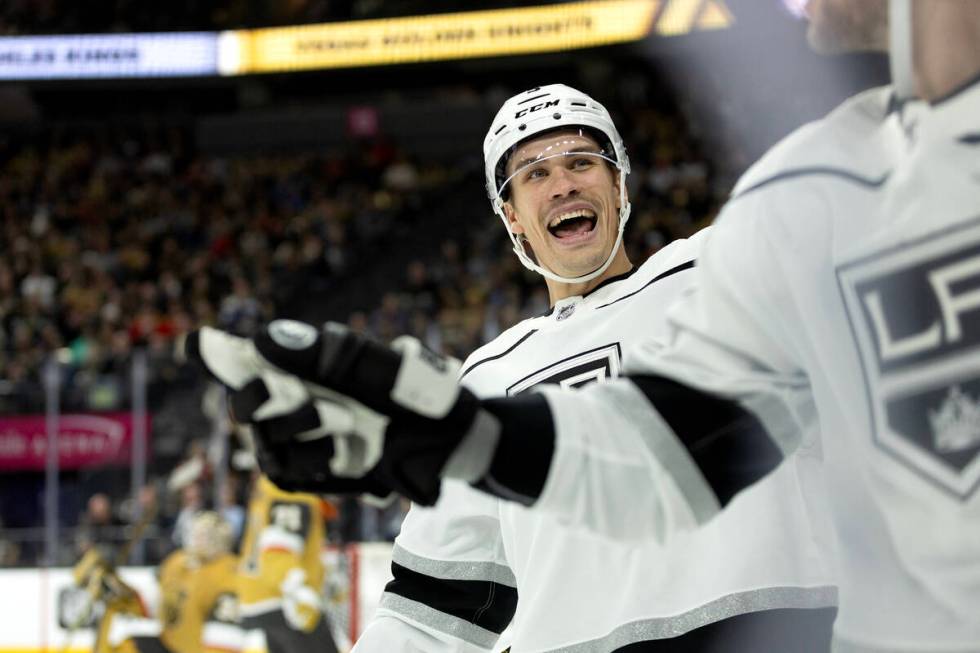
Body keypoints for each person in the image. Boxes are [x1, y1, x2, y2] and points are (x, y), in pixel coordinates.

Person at [183, 0, 980, 649]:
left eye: (580, 161)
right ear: (513, 221)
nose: (561, 180)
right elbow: (433, 611)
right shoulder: (486, 375)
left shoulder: (733, 261)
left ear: (620, 186)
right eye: (534, 173)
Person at [95, 511, 244, 653]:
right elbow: (155, 602)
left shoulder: (229, 570)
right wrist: (121, 592)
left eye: (206, 535)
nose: (198, 539)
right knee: (128, 646)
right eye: (197, 533)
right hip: (170, 644)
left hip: (200, 649)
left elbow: (226, 635)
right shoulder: (177, 561)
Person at [237, 473, 340, 653]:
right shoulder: (291, 489)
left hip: (259, 599)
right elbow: (278, 548)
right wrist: (298, 590)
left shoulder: (269, 484)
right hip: (283, 603)